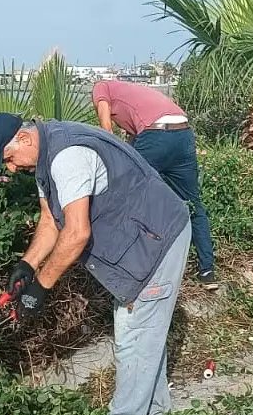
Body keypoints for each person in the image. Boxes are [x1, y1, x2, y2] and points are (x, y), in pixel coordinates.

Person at [0, 112, 191, 415]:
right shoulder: (44, 152)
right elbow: (51, 220)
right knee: (144, 333)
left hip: (156, 239)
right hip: (140, 237)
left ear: (23, 139)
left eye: (8, 158)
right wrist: (27, 264)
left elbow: (76, 233)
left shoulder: (68, 157)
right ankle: (158, 414)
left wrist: (40, 287)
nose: (10, 168)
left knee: (134, 335)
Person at [91, 79, 217, 289]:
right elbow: (134, 141)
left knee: (126, 200)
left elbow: (106, 130)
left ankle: (127, 269)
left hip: (156, 134)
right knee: (193, 204)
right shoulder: (136, 93)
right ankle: (207, 271)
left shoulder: (100, 87)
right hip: (183, 133)